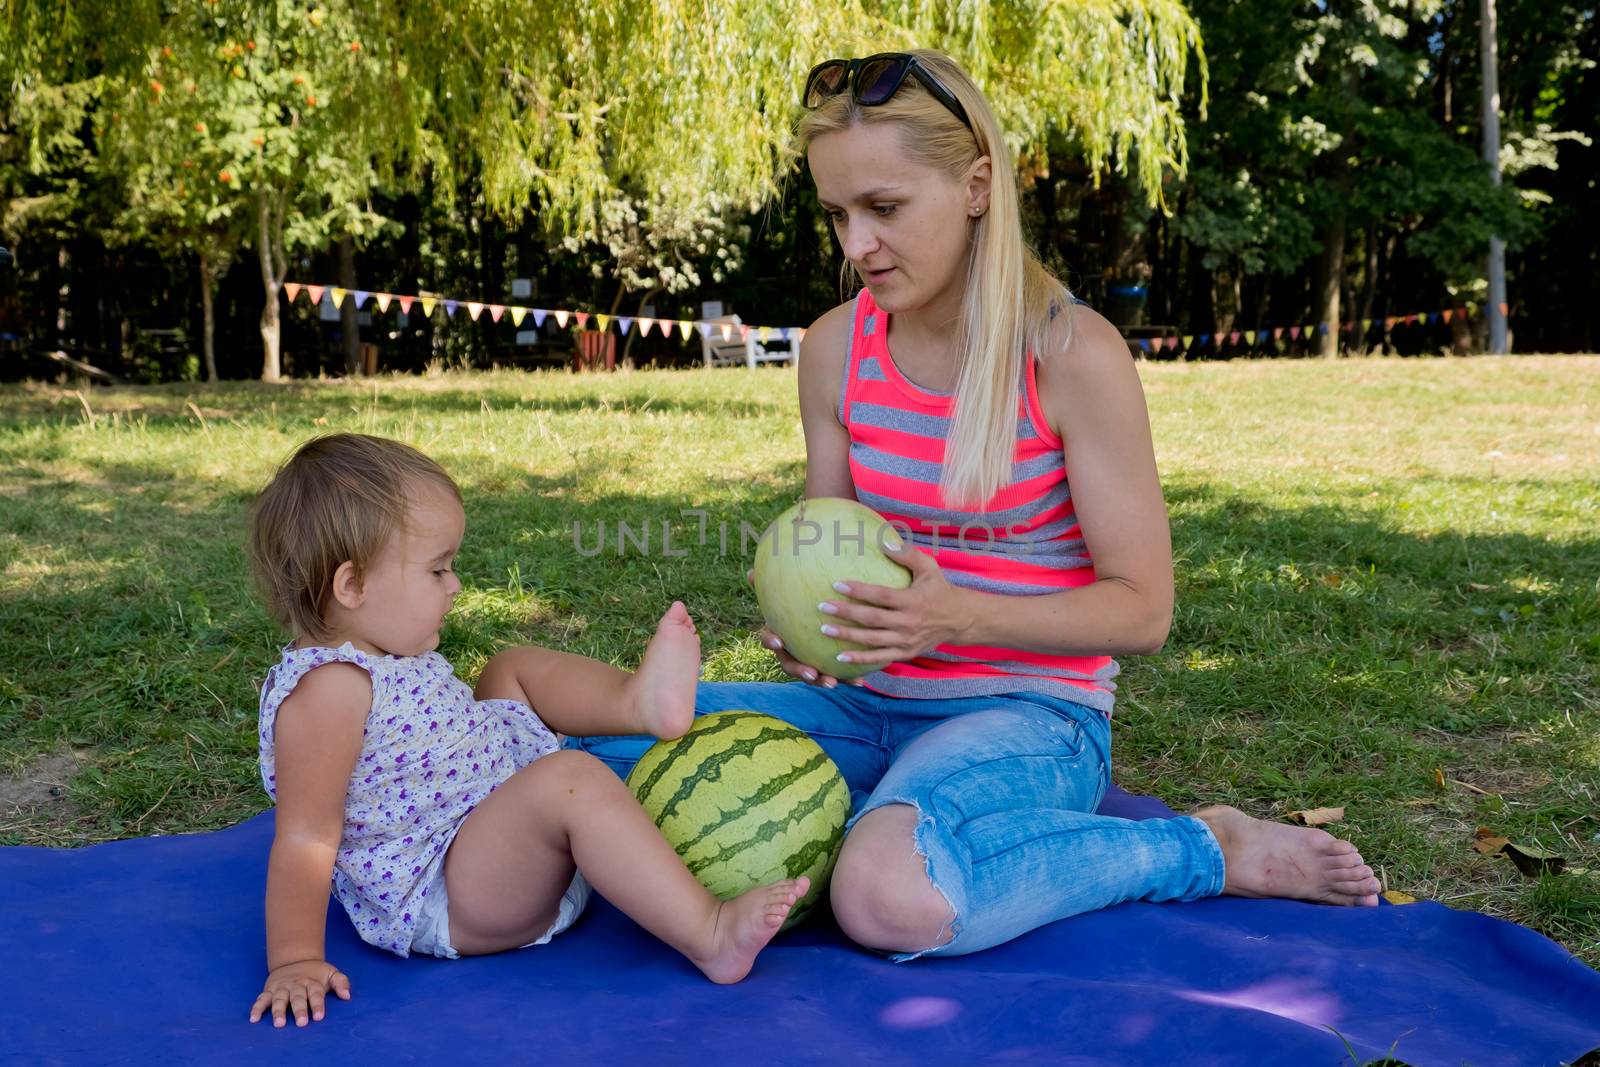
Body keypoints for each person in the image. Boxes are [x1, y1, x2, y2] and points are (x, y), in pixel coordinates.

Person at [572, 50, 1381, 961]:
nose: (855, 247)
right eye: (837, 214)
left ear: (977, 186)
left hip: (1033, 715)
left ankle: (1205, 846)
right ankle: (895, 812)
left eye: (883, 208)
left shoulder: (1074, 355)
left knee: (882, 895)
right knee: (561, 756)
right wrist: (814, 630)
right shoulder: (835, 350)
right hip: (867, 711)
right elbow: (827, 542)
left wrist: (956, 615)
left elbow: (1143, 610)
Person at [245, 433, 808, 1028]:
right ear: (352, 586)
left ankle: (639, 703)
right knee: (569, 778)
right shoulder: (326, 693)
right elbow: (305, 837)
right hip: (457, 895)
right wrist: (296, 959)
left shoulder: (379, 649)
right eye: (437, 569)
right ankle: (710, 932)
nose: (455, 585)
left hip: (485, 826)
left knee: (507, 667)